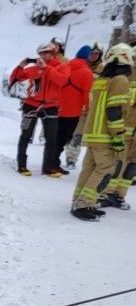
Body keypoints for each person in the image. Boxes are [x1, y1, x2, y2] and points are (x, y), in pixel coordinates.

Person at [71, 43, 132, 220]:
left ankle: (79, 200)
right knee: (106, 169)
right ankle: (84, 204)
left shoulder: (101, 80)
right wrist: (118, 137)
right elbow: (114, 111)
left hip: (92, 134)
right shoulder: (120, 80)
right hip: (105, 136)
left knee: (89, 169)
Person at [15, 42, 66, 176]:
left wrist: (47, 68)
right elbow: (18, 77)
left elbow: (61, 81)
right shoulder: (34, 68)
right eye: (40, 54)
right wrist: (21, 66)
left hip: (51, 106)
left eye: (45, 53)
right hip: (31, 104)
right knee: (26, 134)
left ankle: (48, 167)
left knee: (51, 137)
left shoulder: (61, 67)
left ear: (53, 54)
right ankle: (21, 165)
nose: (42, 56)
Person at [51, 46, 96, 175]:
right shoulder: (86, 72)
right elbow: (86, 94)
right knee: (63, 138)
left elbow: (53, 79)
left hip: (56, 107)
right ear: (87, 58)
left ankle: (51, 161)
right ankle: (53, 163)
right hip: (73, 111)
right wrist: (88, 109)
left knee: (55, 136)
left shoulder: (64, 66)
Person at [100, 52, 136, 210]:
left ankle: (119, 195)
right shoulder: (128, 73)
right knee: (119, 161)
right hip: (126, 125)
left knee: (132, 165)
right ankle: (107, 193)